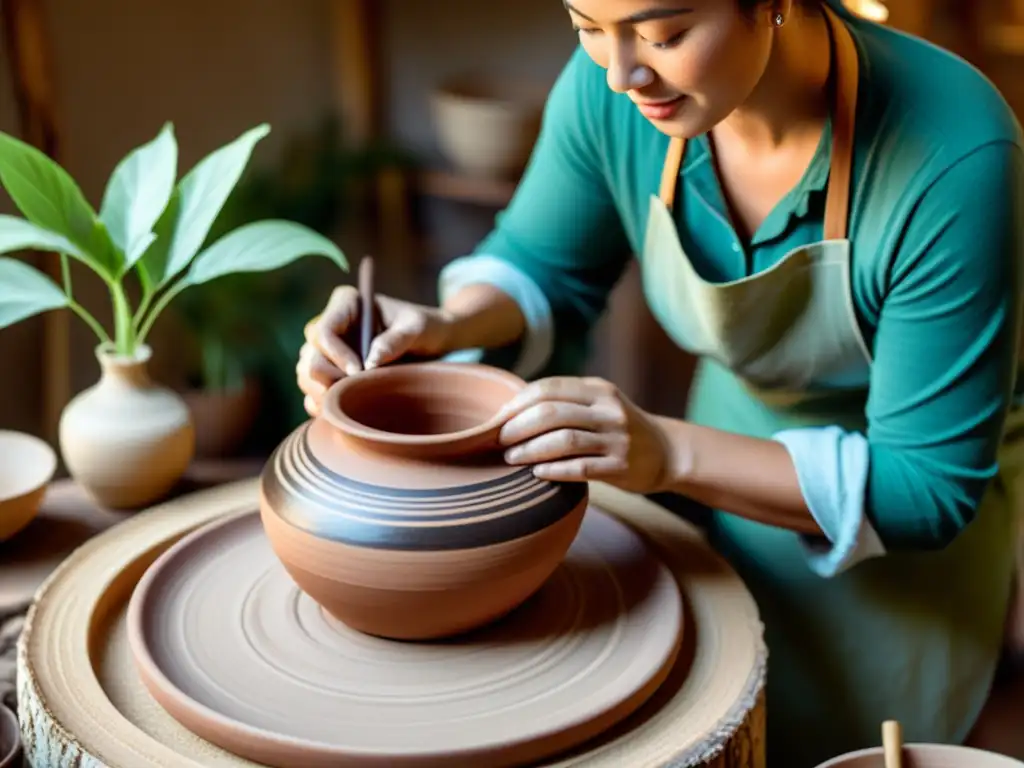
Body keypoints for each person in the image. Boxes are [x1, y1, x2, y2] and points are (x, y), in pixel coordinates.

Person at [296, 0, 1024, 764]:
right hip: (718, 491)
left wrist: (667, 455)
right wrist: (448, 327)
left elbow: (923, 487)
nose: (619, 74)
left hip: (892, 563)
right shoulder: (616, 91)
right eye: (585, 25)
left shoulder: (952, 146)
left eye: (664, 34)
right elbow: (543, 263)